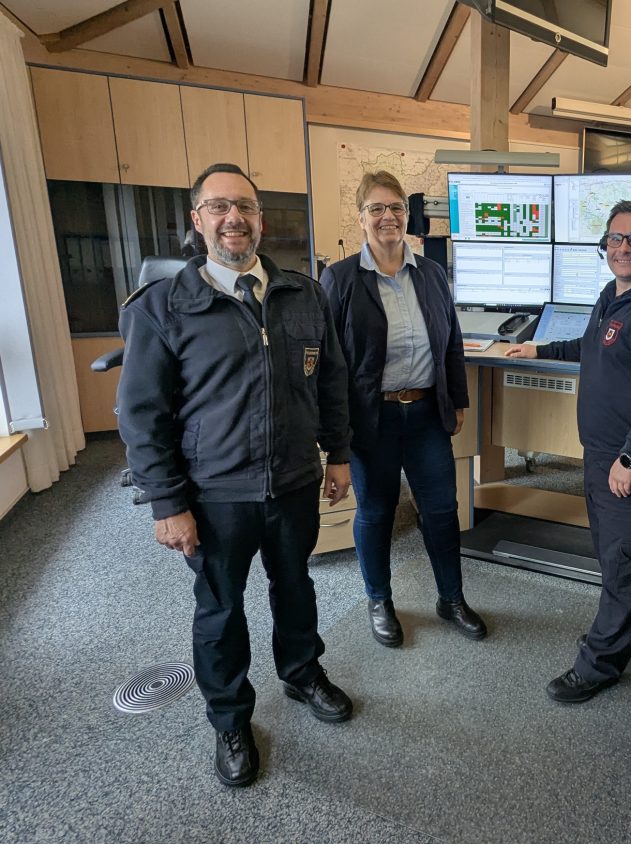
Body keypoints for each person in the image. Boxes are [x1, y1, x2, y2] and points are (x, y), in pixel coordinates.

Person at [118, 163, 355, 788]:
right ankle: (229, 718)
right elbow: (142, 416)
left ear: (261, 220)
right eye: (219, 207)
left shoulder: (304, 295)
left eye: (245, 206)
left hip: (294, 481)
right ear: (197, 221)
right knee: (221, 609)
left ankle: (302, 674)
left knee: (295, 587)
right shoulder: (163, 307)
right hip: (214, 494)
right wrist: (167, 503)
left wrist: (339, 454)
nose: (234, 218)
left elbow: (330, 383)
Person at [506, 201, 631, 703]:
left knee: (626, 558)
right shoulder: (613, 296)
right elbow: (593, 346)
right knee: (616, 555)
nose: (624, 247)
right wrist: (541, 349)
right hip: (602, 453)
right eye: (615, 238)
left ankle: (599, 662)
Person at [321, 171, 486, 648]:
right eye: (376, 208)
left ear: (406, 215)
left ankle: (451, 599)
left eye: (395, 207)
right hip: (372, 419)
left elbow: (450, 341)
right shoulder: (340, 279)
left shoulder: (430, 274)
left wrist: (456, 401)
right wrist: (336, 438)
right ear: (361, 218)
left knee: (442, 510)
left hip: (427, 414)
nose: (387, 216)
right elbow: (330, 362)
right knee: (376, 512)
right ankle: (379, 600)